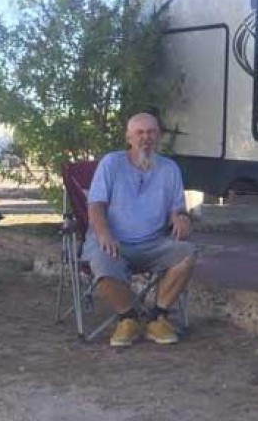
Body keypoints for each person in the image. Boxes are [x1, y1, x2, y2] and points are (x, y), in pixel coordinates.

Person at [84, 112, 197, 347]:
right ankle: (129, 317)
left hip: (153, 242)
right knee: (101, 264)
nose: (146, 137)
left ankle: (157, 317)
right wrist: (104, 234)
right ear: (129, 137)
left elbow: (177, 209)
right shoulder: (111, 163)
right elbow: (95, 206)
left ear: (158, 136)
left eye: (151, 132)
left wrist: (181, 218)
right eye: (140, 132)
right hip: (114, 241)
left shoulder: (169, 169)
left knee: (187, 253)